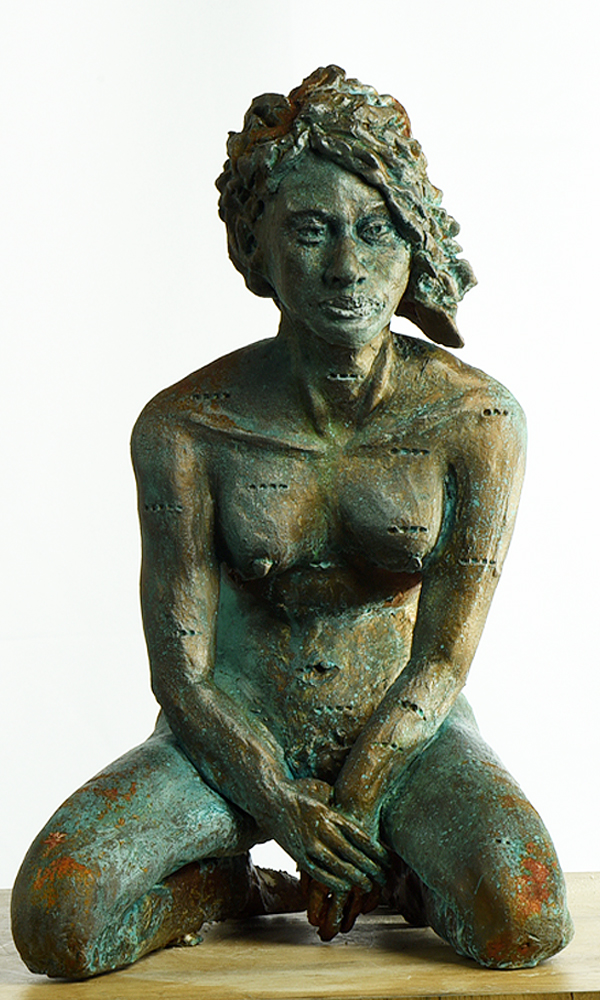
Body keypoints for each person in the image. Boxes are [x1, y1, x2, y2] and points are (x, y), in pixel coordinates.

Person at [11, 65, 573, 980]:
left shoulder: (476, 421)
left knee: (527, 921)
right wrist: (278, 803)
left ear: (414, 240)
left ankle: (398, 876)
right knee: (56, 919)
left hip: (406, 734)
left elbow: (441, 659)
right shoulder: (188, 428)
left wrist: (357, 800)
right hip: (229, 738)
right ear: (256, 250)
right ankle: (226, 889)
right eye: (311, 231)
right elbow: (183, 675)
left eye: (377, 229)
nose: (347, 267)